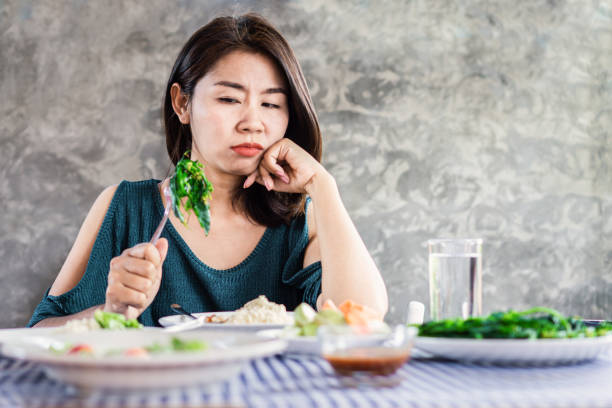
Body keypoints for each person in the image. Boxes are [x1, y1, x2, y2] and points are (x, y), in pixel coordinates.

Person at [29, 13, 388, 327]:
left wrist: (321, 186)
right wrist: (110, 312)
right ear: (182, 103)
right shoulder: (124, 208)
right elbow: (37, 334)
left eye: (271, 103)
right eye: (229, 99)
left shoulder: (302, 221)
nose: (253, 122)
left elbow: (361, 317)